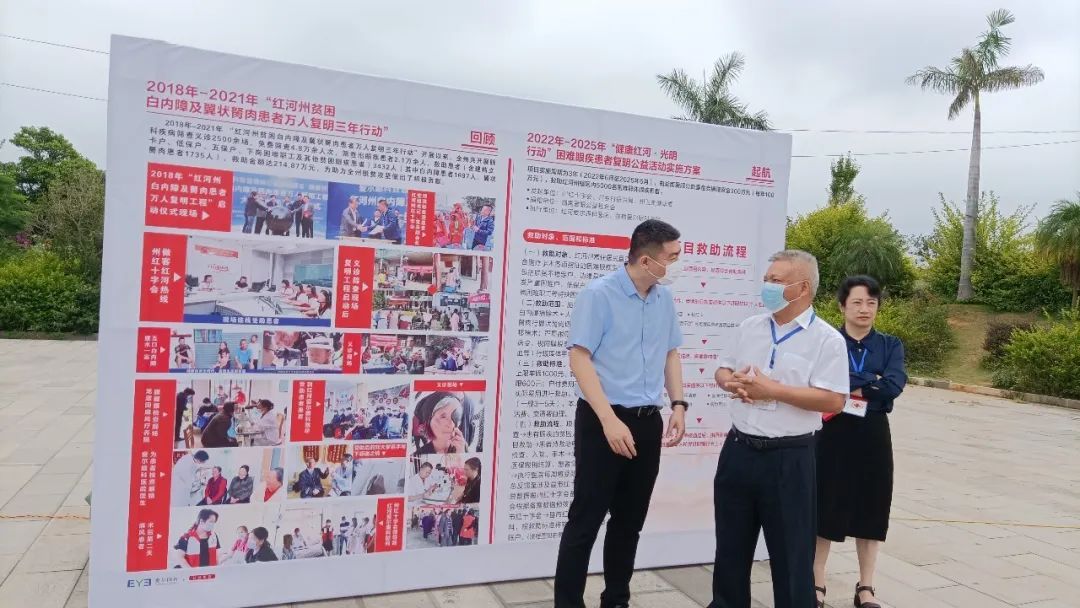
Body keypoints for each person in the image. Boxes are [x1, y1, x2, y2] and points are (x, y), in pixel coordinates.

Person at [555, 219, 688, 608]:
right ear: (646, 260)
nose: (677, 264)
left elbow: (670, 352)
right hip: (603, 420)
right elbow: (579, 358)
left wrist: (678, 404)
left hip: (647, 422)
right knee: (586, 519)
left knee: (630, 521)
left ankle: (616, 599)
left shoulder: (663, 299)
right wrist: (608, 420)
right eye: (672, 257)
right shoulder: (599, 294)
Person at [709, 250, 849, 608]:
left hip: (789, 458)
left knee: (791, 556)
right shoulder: (750, 327)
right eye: (766, 279)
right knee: (730, 549)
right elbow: (722, 369)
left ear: (802, 288)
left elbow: (834, 400)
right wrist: (730, 382)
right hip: (739, 451)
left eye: (776, 280)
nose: (767, 287)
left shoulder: (826, 340)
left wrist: (772, 390)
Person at [814, 276, 907, 608]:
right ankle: (816, 581)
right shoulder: (827, 341)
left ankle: (865, 587)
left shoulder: (890, 345)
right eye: (857, 302)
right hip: (831, 430)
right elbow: (821, 381)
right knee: (825, 502)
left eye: (871, 303)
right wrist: (871, 381)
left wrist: (851, 386)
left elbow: (894, 384)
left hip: (873, 432)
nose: (864, 309)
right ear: (842, 306)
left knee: (873, 506)